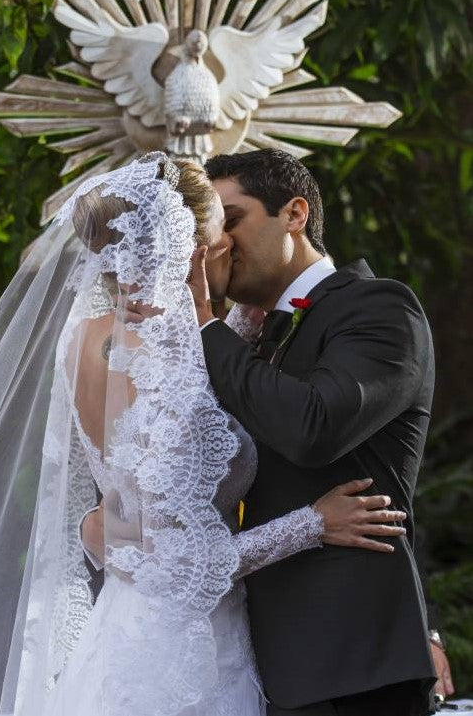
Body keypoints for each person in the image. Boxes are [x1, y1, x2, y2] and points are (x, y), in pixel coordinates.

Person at [0, 152, 407, 716]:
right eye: (216, 228)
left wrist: (100, 529)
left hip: (124, 627)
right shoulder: (172, 355)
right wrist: (312, 524)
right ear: (189, 243)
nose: (225, 243)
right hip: (188, 656)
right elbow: (179, 564)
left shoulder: (82, 339)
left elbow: (129, 512)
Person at [188, 147, 439, 716]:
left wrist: (204, 320)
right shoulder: (244, 339)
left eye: (231, 221)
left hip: (349, 659)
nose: (219, 245)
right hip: (255, 660)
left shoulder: (378, 308)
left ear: (295, 214)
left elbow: (314, 427)